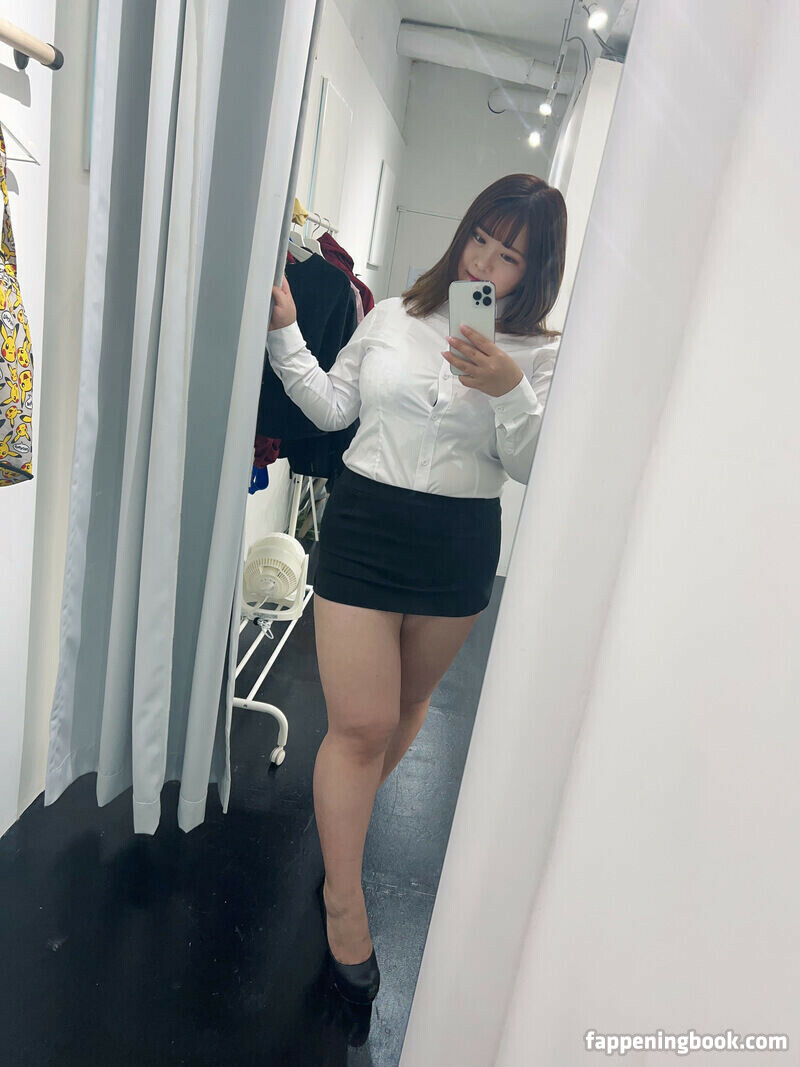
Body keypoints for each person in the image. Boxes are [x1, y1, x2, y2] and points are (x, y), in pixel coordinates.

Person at [267, 173, 567, 1003]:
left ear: (536, 271)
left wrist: (509, 389)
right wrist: (287, 335)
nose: (484, 263)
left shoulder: (543, 356)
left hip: (457, 543)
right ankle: (343, 895)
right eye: (480, 239)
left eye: (509, 257)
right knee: (360, 723)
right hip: (366, 524)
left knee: (404, 707)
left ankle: (342, 830)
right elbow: (332, 409)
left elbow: (533, 466)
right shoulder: (394, 315)